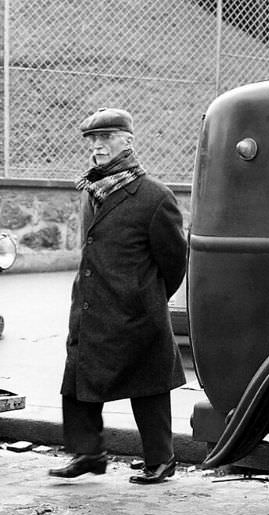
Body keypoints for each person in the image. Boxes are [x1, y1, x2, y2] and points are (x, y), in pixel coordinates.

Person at [48, 108, 187, 484]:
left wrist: (146, 296)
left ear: (127, 141)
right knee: (77, 376)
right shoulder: (92, 191)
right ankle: (89, 453)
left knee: (149, 385)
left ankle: (161, 459)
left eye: (105, 138)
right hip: (92, 305)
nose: (96, 147)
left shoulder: (154, 196)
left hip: (137, 311)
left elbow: (175, 261)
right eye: (92, 140)